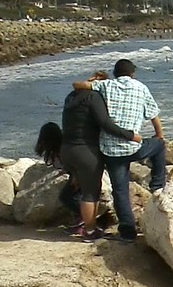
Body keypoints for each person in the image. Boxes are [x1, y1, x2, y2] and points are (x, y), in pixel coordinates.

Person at [73, 59, 166, 243]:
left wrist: (91, 80)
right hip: (134, 146)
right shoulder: (141, 87)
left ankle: (127, 233)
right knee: (159, 146)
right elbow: (154, 115)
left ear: (115, 73)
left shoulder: (106, 85)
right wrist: (159, 135)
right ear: (133, 73)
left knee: (120, 191)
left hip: (111, 150)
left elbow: (77, 85)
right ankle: (157, 184)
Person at [60, 71, 142, 241]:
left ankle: (80, 222)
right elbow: (105, 124)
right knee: (90, 193)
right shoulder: (94, 97)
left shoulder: (70, 97)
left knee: (79, 188)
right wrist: (130, 135)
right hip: (86, 151)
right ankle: (90, 232)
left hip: (67, 149)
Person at [34, 121, 81, 225]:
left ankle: (85, 217)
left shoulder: (63, 149)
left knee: (66, 197)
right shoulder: (63, 145)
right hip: (81, 170)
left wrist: (75, 176)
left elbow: (76, 162)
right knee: (73, 196)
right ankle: (81, 218)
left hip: (81, 172)